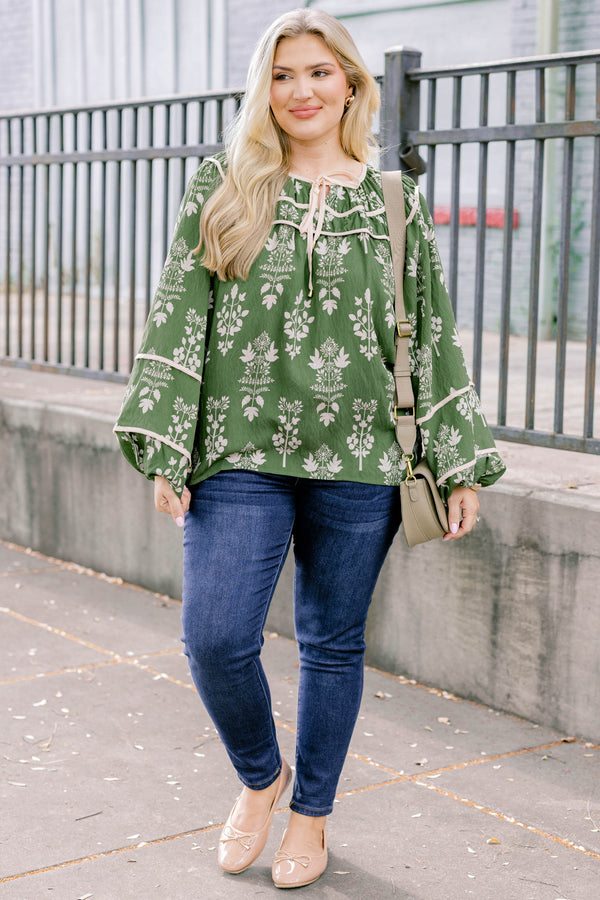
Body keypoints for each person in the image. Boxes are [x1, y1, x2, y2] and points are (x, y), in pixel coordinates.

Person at [114, 7, 505, 889]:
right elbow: (181, 313)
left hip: (361, 458)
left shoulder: (391, 197)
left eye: (320, 73)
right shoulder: (223, 184)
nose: (301, 91)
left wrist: (456, 457)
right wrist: (167, 443)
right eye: (283, 75)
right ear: (266, 89)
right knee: (215, 637)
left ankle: (313, 815)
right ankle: (263, 779)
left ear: (352, 85)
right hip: (239, 449)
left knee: (332, 646)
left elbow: (431, 335)